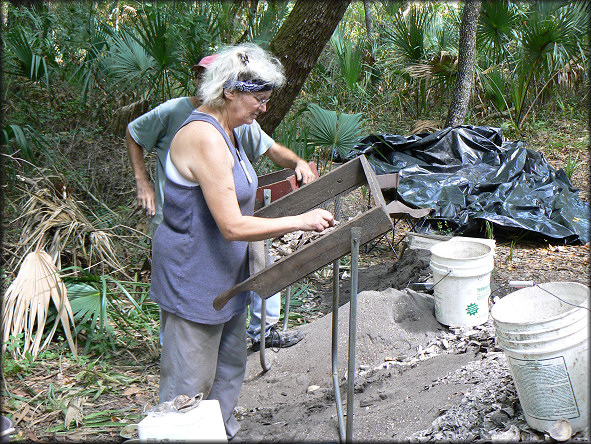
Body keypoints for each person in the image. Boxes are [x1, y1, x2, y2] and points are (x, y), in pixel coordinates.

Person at [149, 43, 335, 440]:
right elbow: (232, 225)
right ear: (229, 91)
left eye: (267, 99)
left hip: (225, 274)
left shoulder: (234, 131)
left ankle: (222, 432)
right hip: (193, 277)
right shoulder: (204, 137)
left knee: (229, 368)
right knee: (190, 382)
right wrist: (299, 220)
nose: (263, 108)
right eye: (259, 99)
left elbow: (247, 186)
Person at [126, 55, 313, 350]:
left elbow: (272, 149)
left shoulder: (238, 121)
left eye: (209, 74)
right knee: (185, 302)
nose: (204, 80)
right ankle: (175, 352)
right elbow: (134, 133)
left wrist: (298, 162)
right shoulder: (181, 116)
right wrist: (143, 181)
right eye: (201, 74)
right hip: (181, 220)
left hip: (225, 226)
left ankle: (260, 331)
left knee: (252, 266)